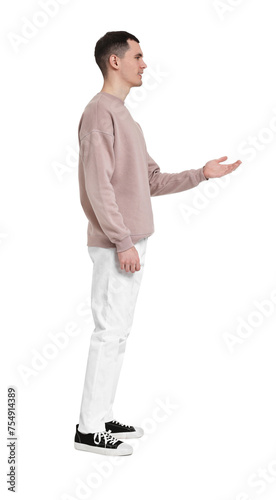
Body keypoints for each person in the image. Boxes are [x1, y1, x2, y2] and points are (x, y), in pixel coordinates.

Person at [74, 31, 242, 456]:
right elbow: (99, 188)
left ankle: (100, 416)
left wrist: (201, 174)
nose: (145, 63)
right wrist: (123, 241)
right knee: (108, 332)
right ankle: (88, 430)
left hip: (130, 242)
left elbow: (149, 181)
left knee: (118, 333)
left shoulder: (126, 118)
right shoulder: (99, 114)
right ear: (115, 62)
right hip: (118, 244)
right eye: (138, 55)